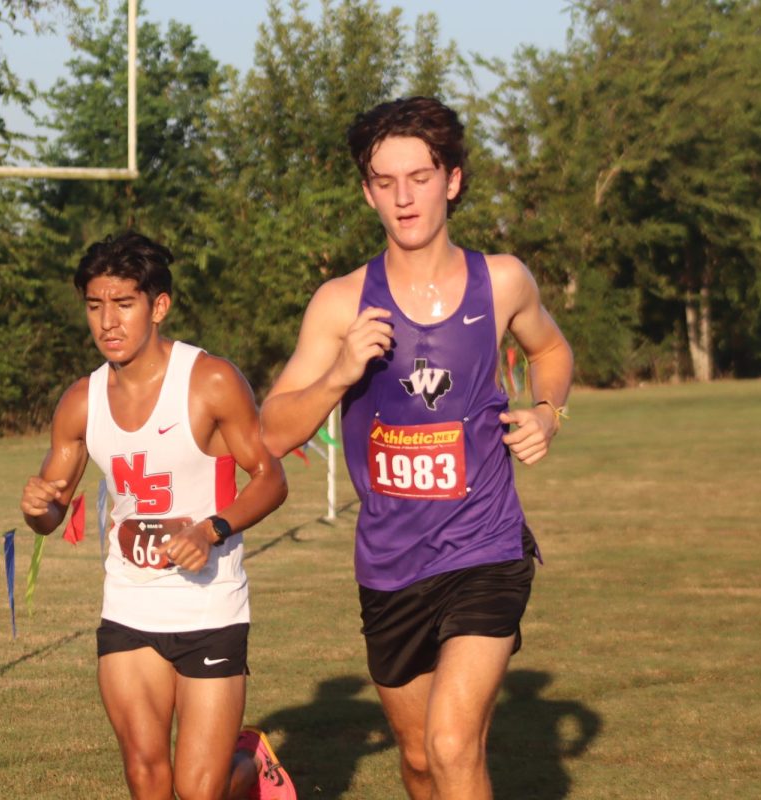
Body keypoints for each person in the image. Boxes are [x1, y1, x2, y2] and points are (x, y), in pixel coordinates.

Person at [260, 97, 574, 800]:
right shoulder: (341, 303)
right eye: (385, 181)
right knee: (421, 762)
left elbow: (551, 347)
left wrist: (549, 412)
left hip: (485, 548)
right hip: (390, 565)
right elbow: (272, 432)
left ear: (452, 179)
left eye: (420, 176)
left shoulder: (502, 281)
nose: (404, 198)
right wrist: (341, 372)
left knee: (453, 742)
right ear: (367, 190)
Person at [21, 232, 294, 800]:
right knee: (146, 778)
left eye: (123, 304)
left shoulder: (211, 380)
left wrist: (213, 528)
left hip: (210, 606)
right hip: (130, 604)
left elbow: (271, 479)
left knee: (201, 792)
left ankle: (248, 770)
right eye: (95, 306)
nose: (107, 322)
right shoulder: (81, 401)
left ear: (159, 306)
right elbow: (51, 514)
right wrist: (38, 509)